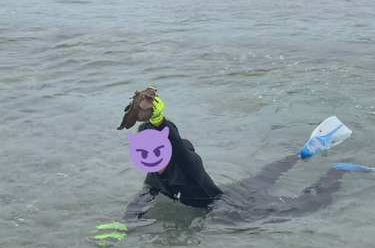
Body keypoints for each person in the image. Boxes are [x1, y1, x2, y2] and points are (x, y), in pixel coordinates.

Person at [123, 96, 358, 227]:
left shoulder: (187, 165)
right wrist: (123, 226)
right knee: (267, 175)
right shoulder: (152, 173)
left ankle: (338, 171)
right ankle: (301, 155)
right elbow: (143, 197)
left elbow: (174, 140)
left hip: (231, 209)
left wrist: (158, 119)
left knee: (304, 206)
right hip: (231, 192)